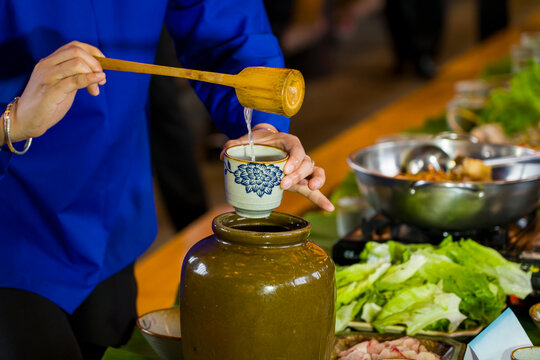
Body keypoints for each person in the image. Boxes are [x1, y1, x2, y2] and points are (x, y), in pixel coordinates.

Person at [0, 1, 334, 359]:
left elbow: (226, 27)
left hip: (112, 213)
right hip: (13, 227)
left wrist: (263, 125)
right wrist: (11, 123)